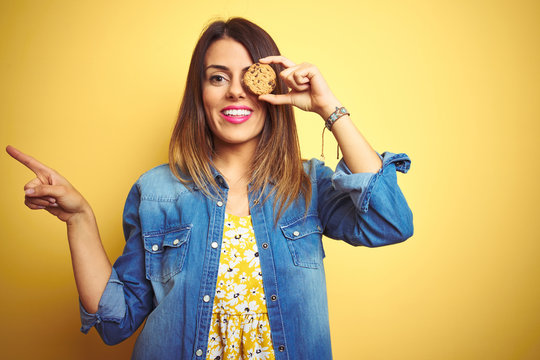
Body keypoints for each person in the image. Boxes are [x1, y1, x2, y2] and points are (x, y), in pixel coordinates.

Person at [6, 17, 413, 360]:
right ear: (200, 95)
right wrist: (79, 218)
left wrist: (329, 108)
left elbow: (389, 221)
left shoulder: (307, 185)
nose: (235, 90)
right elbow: (115, 320)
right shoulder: (158, 191)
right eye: (218, 78)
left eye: (250, 77)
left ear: (273, 89)